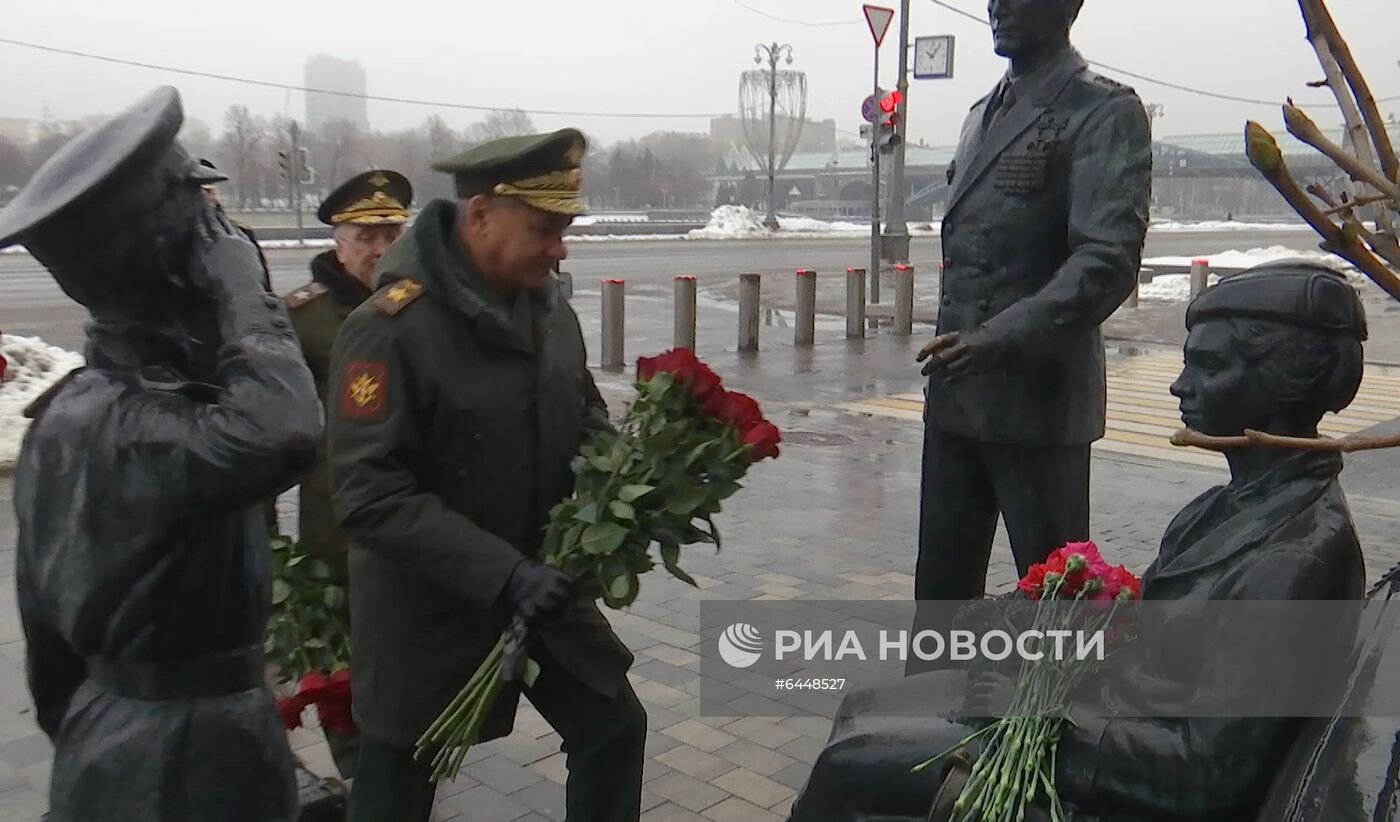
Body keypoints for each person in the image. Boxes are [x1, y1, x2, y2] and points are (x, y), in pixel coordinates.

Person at [789, 261, 1368, 821]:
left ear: (1283, 383)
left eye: (1209, 366)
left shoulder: (1294, 561)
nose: (1179, 384)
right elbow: (1155, 638)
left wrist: (1043, 715)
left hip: (1119, 777)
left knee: (849, 765)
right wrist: (1038, 634)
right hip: (1112, 717)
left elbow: (1207, 777)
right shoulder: (1224, 509)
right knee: (860, 707)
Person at [0, 86, 320, 822]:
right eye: (207, 222)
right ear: (185, 264)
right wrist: (246, 295)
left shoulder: (72, 415)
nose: (224, 234)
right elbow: (286, 431)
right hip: (192, 754)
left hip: (110, 735)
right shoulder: (140, 425)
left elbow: (46, 646)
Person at [327, 128, 645, 821]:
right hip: (430, 607)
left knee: (614, 726)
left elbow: (580, 410)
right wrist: (503, 575)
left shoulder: (550, 312)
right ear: (479, 217)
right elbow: (368, 493)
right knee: (395, 793)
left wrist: (624, 477)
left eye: (565, 227)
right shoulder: (389, 329)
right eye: (545, 228)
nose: (560, 245)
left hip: (544, 586)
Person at [913, 0, 1152, 604]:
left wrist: (1000, 338)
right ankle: (924, 700)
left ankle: (1052, 704)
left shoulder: (1100, 111)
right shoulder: (977, 117)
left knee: (1057, 612)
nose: (999, 6)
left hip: (1039, 405)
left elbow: (1106, 260)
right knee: (940, 595)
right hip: (956, 399)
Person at [281, 167, 413, 779]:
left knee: (406, 651)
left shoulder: (417, 306)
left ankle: (404, 759)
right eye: (367, 234)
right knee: (344, 655)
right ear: (339, 239)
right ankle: (362, 774)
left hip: (417, 515)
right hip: (337, 524)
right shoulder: (300, 318)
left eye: (391, 231)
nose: (381, 247)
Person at [198, 157, 272, 293]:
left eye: (211, 191)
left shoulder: (240, 234)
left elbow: (263, 290)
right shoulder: (165, 240)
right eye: (204, 192)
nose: (210, 198)